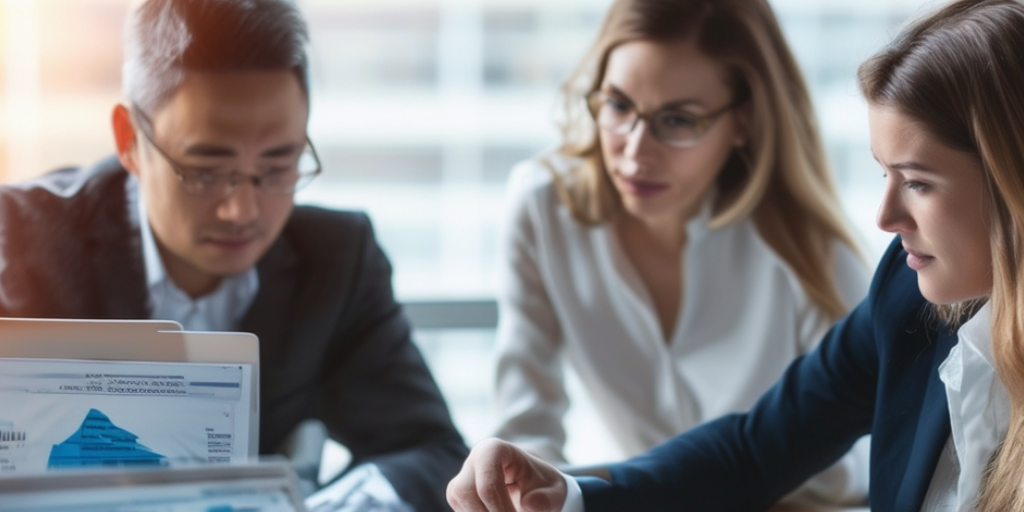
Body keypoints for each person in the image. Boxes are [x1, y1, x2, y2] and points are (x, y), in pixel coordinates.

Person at [447, 0, 1024, 510]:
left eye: (917, 182)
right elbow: (757, 450)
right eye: (882, 174)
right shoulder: (905, 293)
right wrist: (570, 495)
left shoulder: (831, 258)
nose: (884, 218)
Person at [0, 0, 466, 510]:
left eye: (278, 166)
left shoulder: (334, 261)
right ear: (129, 140)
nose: (242, 210)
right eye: (204, 171)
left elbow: (430, 450)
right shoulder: (23, 241)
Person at [492, 0, 869, 504]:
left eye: (677, 120)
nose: (634, 151)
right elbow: (526, 429)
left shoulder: (811, 251)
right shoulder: (542, 207)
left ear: (745, 120)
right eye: (619, 106)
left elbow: (858, 455)